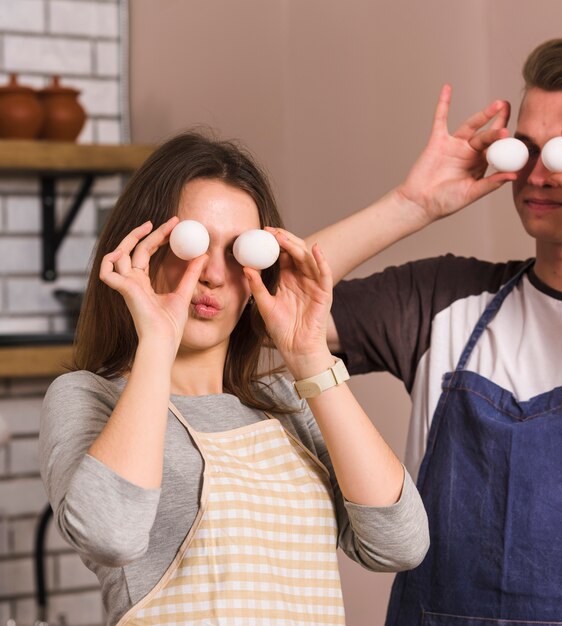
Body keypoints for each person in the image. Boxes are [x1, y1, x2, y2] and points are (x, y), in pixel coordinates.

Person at [38, 132, 429, 626]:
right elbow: (110, 535)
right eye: (192, 244)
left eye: (237, 251)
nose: (214, 276)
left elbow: (400, 545)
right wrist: (157, 341)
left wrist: (309, 358)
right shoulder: (89, 397)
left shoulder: (288, 400)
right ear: (144, 247)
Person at [307, 38, 562, 624]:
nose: (537, 172)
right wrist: (411, 204)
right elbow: (252, 313)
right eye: (523, 148)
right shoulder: (443, 298)